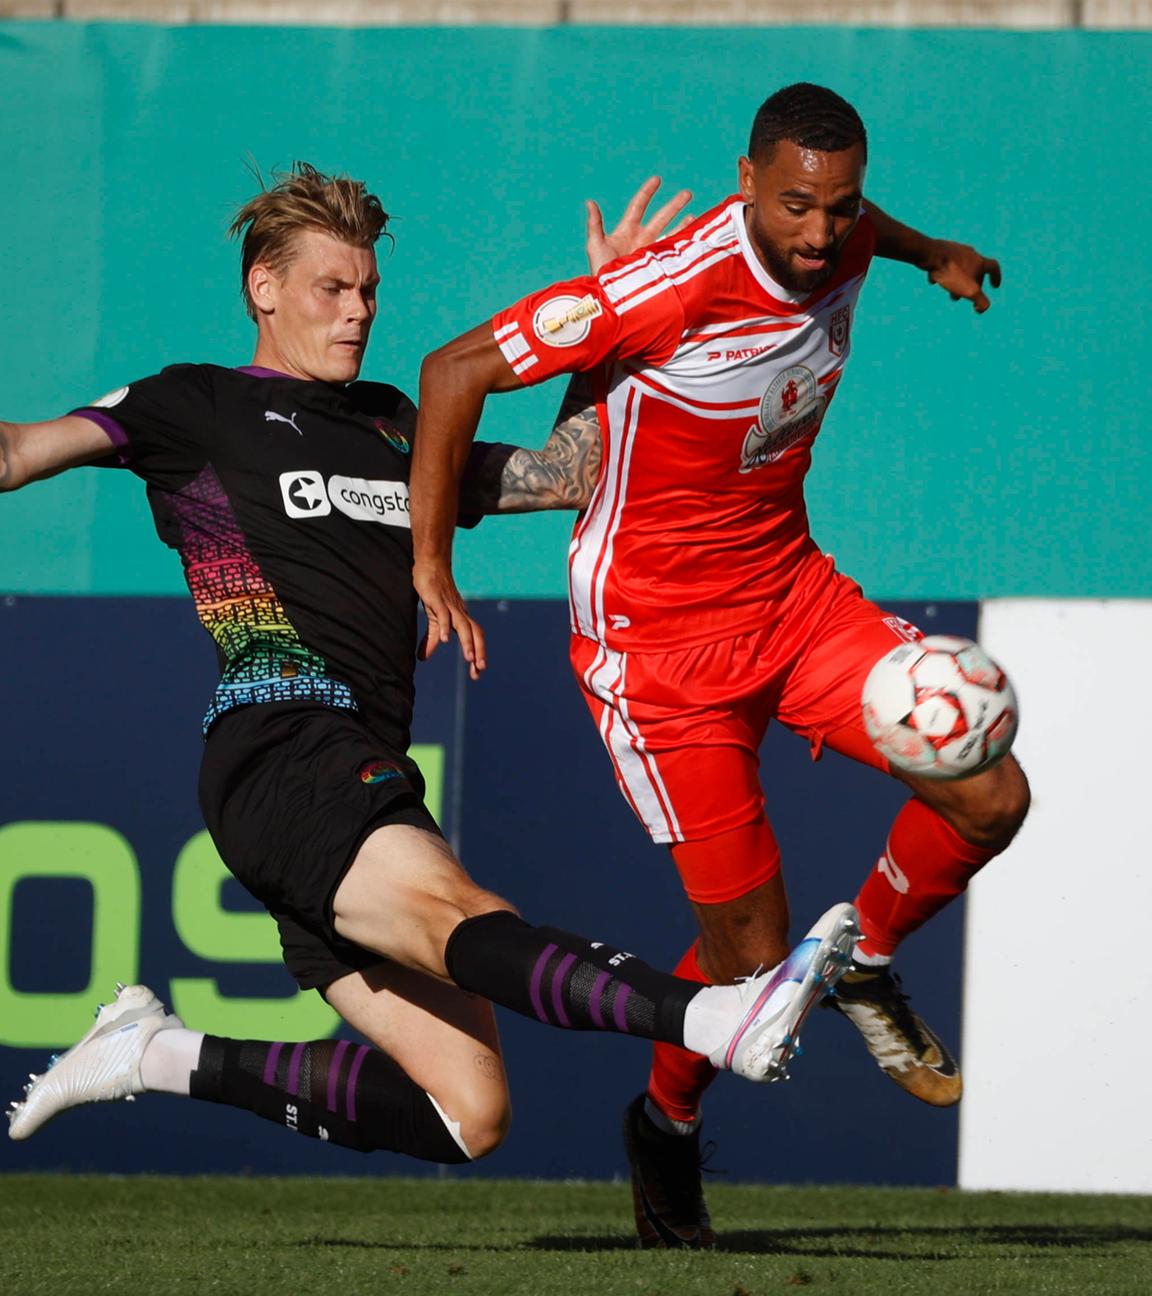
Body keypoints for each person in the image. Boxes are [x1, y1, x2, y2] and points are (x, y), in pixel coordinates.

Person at [2, 164, 860, 1167]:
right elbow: (18, 452)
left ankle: (154, 1052)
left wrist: (616, 318)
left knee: (468, 1115)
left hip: (352, 765)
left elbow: (569, 475)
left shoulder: (394, 423)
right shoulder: (195, 406)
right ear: (263, 288)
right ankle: (717, 1019)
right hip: (279, 742)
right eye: (334, 289)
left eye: (370, 291)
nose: (360, 311)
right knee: (470, 916)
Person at [407, 83, 1032, 1246]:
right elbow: (452, 375)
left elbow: (863, 230)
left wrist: (927, 249)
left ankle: (865, 962)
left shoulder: (841, 239)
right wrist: (432, 565)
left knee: (992, 792)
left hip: (793, 598)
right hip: (660, 656)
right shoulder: (665, 287)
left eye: (839, 210)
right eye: (796, 204)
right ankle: (664, 1125)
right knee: (750, 970)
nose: (819, 233)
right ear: (746, 182)